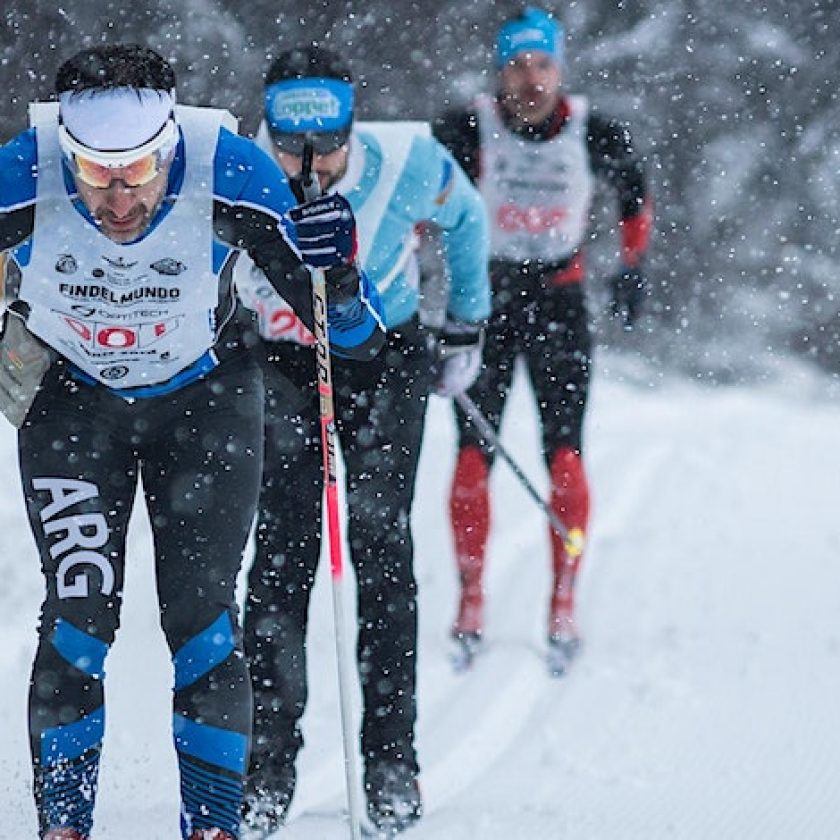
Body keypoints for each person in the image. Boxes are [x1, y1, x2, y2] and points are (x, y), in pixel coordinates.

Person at [0, 44, 384, 840]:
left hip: (202, 402)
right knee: (76, 619)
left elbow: (351, 339)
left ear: (169, 143)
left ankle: (212, 826)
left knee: (203, 620)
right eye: (93, 174)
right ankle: (63, 825)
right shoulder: (19, 174)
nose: (116, 198)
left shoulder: (232, 171)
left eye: (137, 172)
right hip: (76, 407)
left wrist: (339, 272)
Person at [235, 46, 490, 836]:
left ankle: (390, 764)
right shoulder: (239, 168)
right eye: (291, 147)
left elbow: (469, 218)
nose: (309, 164)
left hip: (386, 361)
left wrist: (464, 327)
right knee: (281, 553)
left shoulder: (410, 157)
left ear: (352, 125)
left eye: (326, 146)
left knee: (379, 547)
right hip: (279, 363)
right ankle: (267, 764)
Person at [433, 6, 653, 675]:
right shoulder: (468, 127)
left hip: (560, 302)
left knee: (566, 460)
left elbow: (635, 194)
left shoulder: (594, 132)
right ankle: (471, 597)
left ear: (560, 69)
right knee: (474, 460)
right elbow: (422, 193)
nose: (530, 78)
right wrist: (410, 264)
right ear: (500, 71)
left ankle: (563, 598)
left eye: (542, 65)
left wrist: (632, 267)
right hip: (487, 302)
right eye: (518, 65)